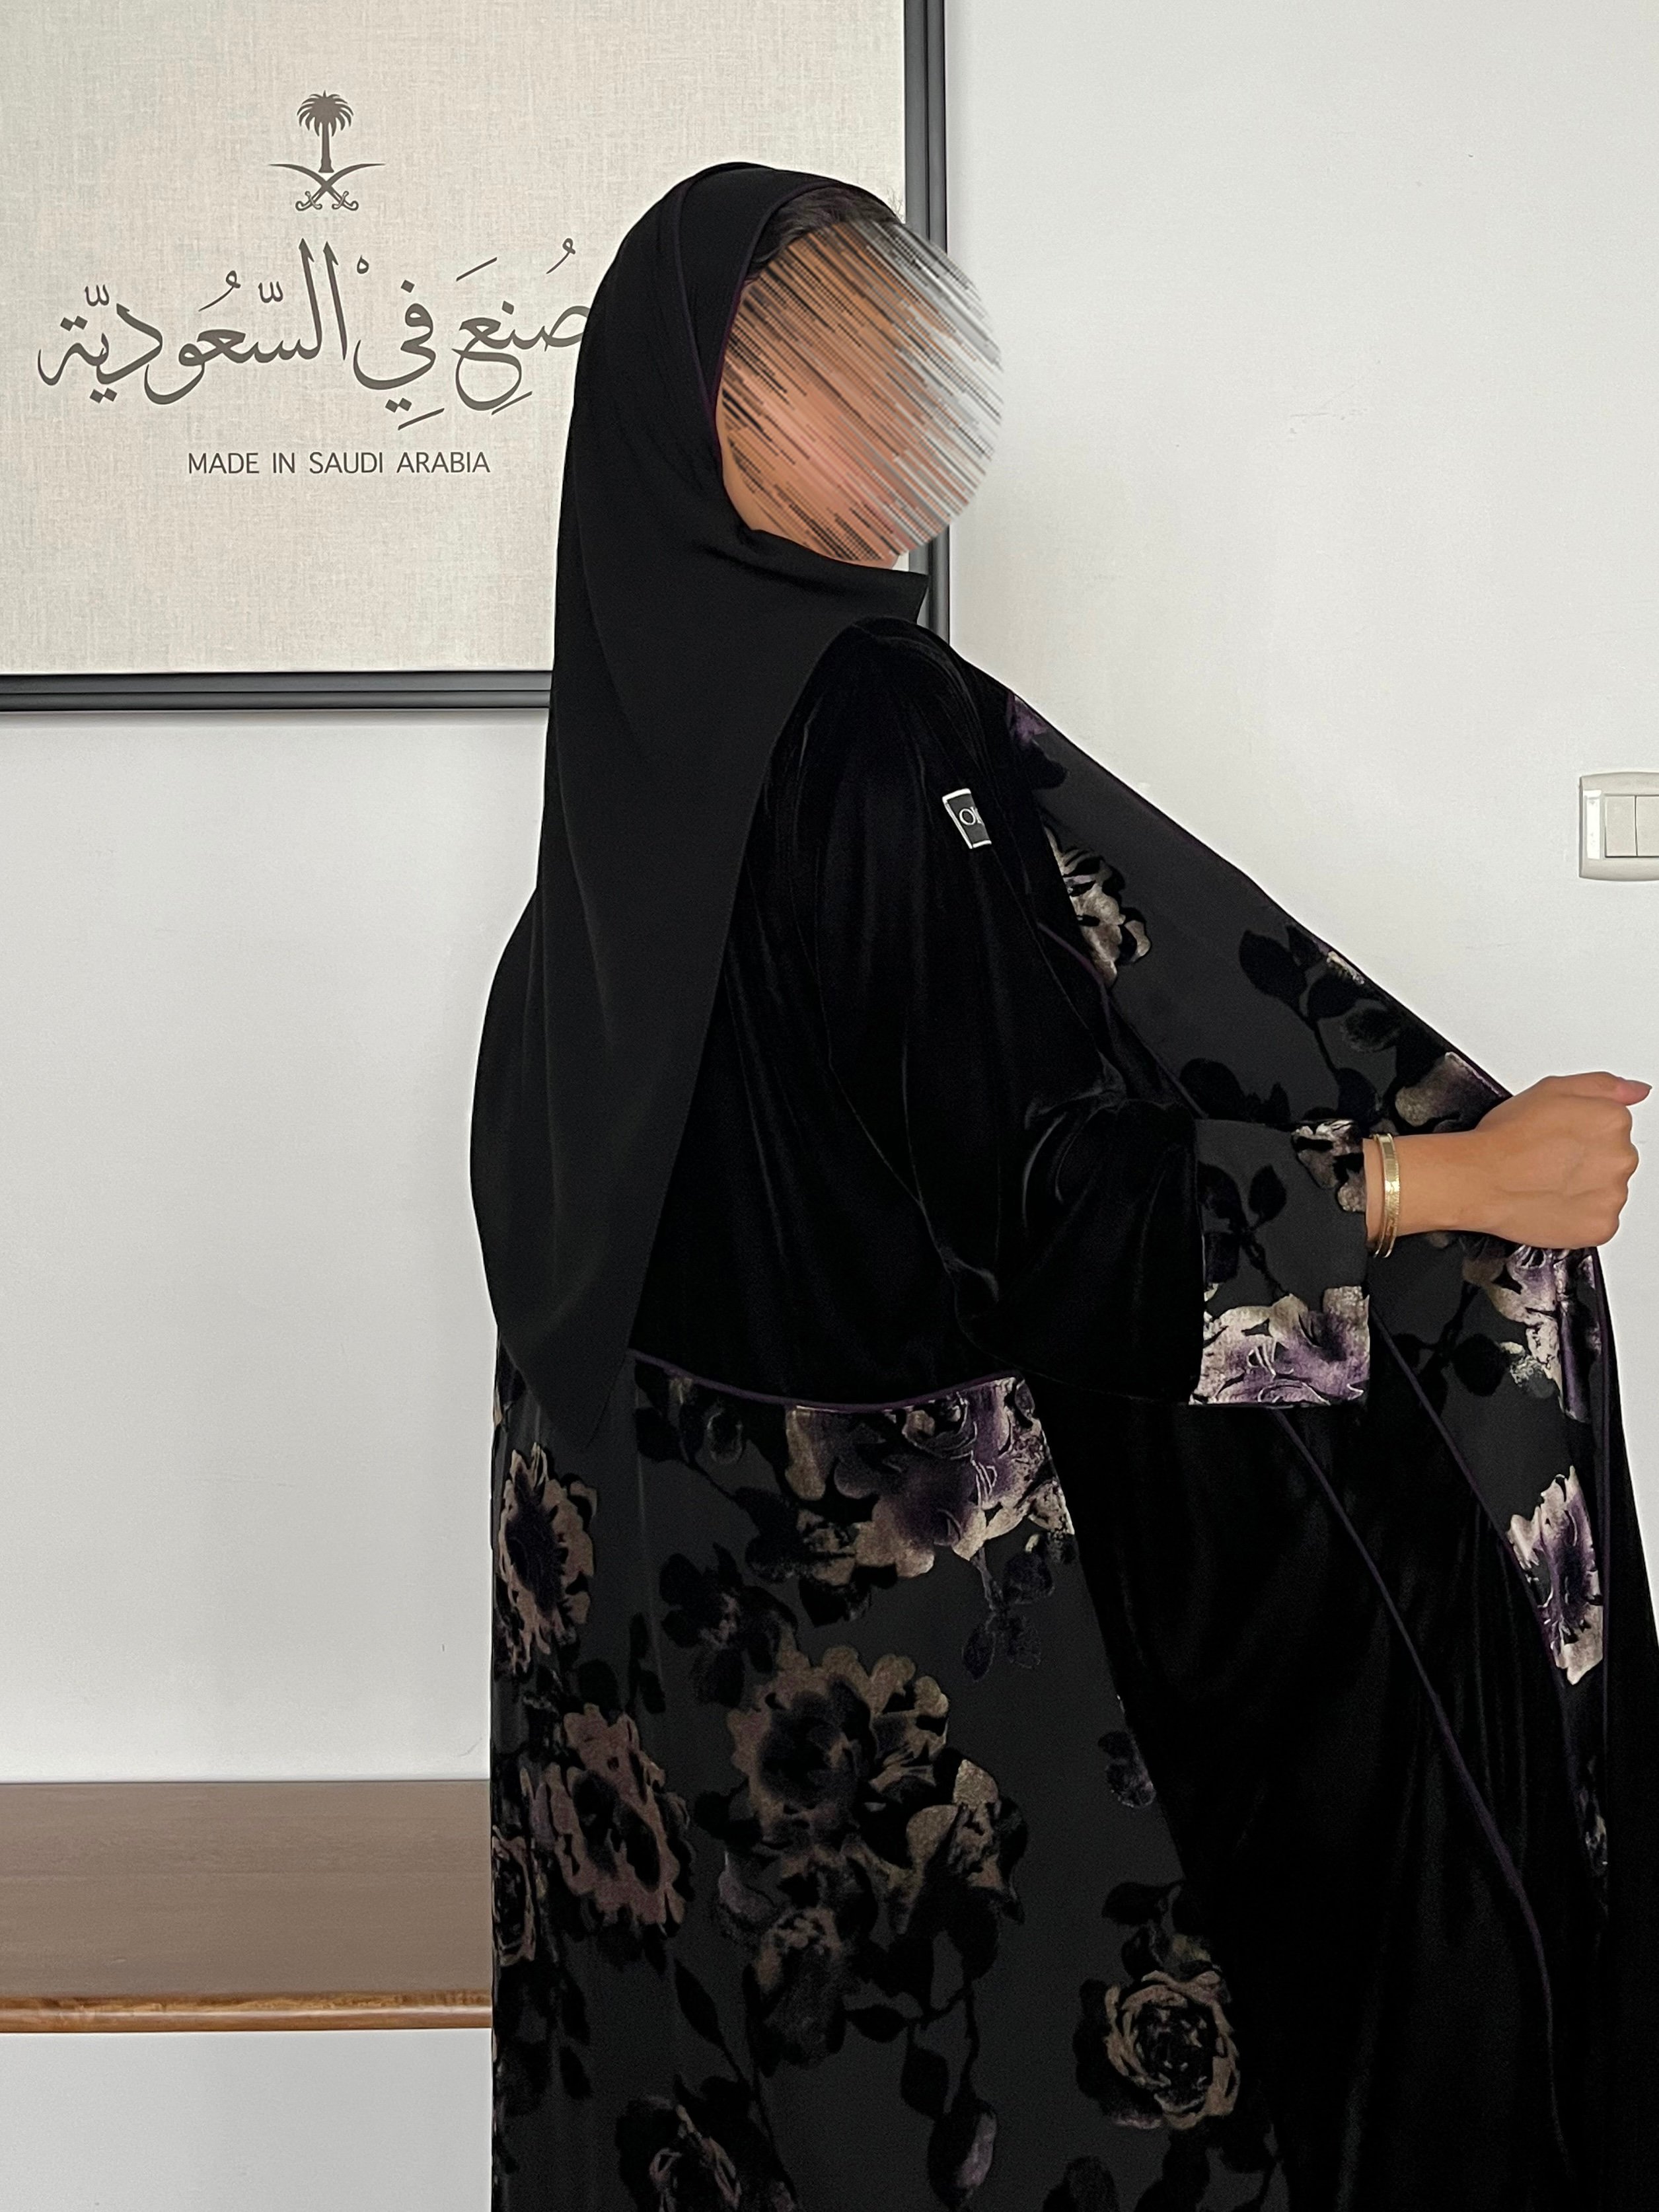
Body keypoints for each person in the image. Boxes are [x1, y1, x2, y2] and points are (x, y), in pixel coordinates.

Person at [470, 162, 1658, 2212]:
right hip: (881, 1682)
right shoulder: (867, 719)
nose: (901, 419)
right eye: (840, 375)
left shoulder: (628, 774)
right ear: (720, 417)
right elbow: (1056, 1207)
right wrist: (1455, 1171)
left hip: (654, 1671)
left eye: (904, 365)